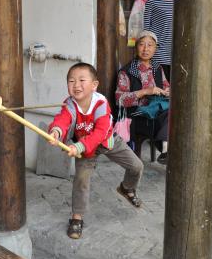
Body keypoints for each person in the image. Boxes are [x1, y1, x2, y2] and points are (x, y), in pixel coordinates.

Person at [48, 62, 144, 240]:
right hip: (85, 148)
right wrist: (56, 131)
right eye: (71, 81)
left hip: (107, 141)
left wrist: (80, 146)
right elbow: (62, 120)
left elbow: (100, 132)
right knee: (81, 179)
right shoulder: (69, 104)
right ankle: (77, 217)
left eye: (82, 80)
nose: (76, 85)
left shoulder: (100, 103)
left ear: (94, 85)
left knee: (136, 166)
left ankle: (127, 188)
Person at [116, 30, 170, 164]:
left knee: (176, 112)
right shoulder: (127, 71)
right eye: (142, 44)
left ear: (155, 48)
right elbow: (120, 100)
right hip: (138, 115)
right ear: (136, 47)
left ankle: (166, 148)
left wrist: (167, 91)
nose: (146, 49)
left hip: (156, 112)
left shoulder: (157, 68)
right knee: (170, 116)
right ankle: (165, 148)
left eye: (150, 45)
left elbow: (165, 86)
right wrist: (146, 91)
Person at [143, 0, 174, 82]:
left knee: (171, 87)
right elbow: (146, 26)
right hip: (157, 51)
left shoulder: (175, 1)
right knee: (159, 85)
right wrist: (149, 47)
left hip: (172, 51)